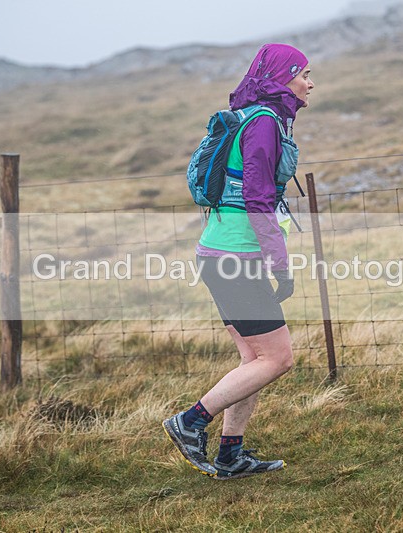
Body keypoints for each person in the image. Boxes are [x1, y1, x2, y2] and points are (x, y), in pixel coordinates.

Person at [163, 43, 314, 480]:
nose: (310, 82)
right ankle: (191, 422)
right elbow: (258, 199)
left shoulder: (255, 118)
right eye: (303, 72)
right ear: (282, 77)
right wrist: (280, 264)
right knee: (278, 359)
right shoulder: (264, 123)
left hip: (219, 254)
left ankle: (231, 454)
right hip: (236, 260)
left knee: (254, 360)